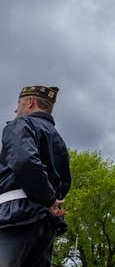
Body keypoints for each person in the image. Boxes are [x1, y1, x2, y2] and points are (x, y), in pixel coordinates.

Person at [0, 85, 71, 267]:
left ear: (29, 102)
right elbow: (64, 182)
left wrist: (47, 199)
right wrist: (50, 202)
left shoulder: (20, 125)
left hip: (15, 216)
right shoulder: (58, 140)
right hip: (46, 223)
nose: (16, 109)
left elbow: (24, 161)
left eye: (19, 104)